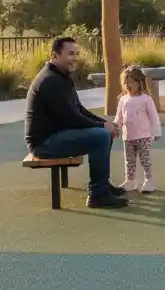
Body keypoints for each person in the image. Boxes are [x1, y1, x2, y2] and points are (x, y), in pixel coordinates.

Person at [24, 36, 128, 209]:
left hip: (57, 134)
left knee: (104, 133)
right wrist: (102, 126)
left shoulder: (63, 77)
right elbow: (71, 118)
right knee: (101, 136)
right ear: (54, 56)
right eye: (70, 54)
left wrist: (104, 123)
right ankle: (98, 195)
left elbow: (79, 109)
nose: (75, 58)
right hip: (44, 144)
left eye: (76, 54)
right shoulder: (50, 81)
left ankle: (101, 184)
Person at [113, 66, 161, 192]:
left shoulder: (146, 99)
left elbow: (154, 117)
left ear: (140, 83)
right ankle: (130, 181)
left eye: (132, 82)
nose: (128, 85)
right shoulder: (123, 100)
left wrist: (156, 132)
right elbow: (119, 117)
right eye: (126, 82)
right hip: (128, 137)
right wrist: (116, 128)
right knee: (129, 161)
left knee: (145, 160)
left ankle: (149, 181)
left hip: (143, 136)